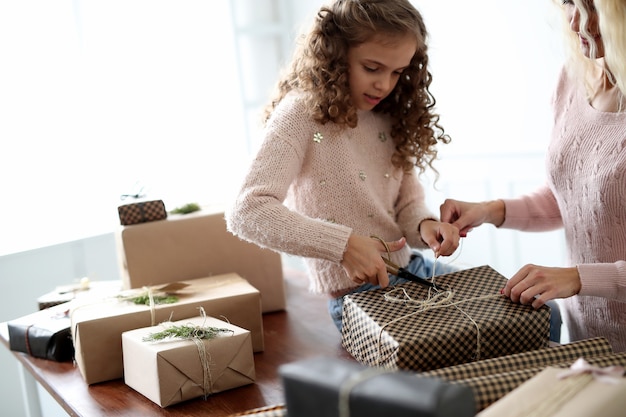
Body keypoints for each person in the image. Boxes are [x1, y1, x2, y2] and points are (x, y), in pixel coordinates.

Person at [226, 0, 460, 331]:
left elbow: (407, 204)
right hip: (359, 299)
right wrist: (343, 246)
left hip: (414, 271)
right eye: (372, 68)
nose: (385, 85)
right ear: (336, 54)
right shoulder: (298, 115)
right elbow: (246, 211)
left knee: (542, 313)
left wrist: (425, 227)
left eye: (397, 72)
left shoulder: (389, 113)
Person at [440, 0, 626, 351]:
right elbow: (575, 198)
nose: (575, 22)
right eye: (569, 3)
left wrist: (576, 278)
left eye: (593, 6)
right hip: (587, 335)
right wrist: (488, 211)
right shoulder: (571, 79)